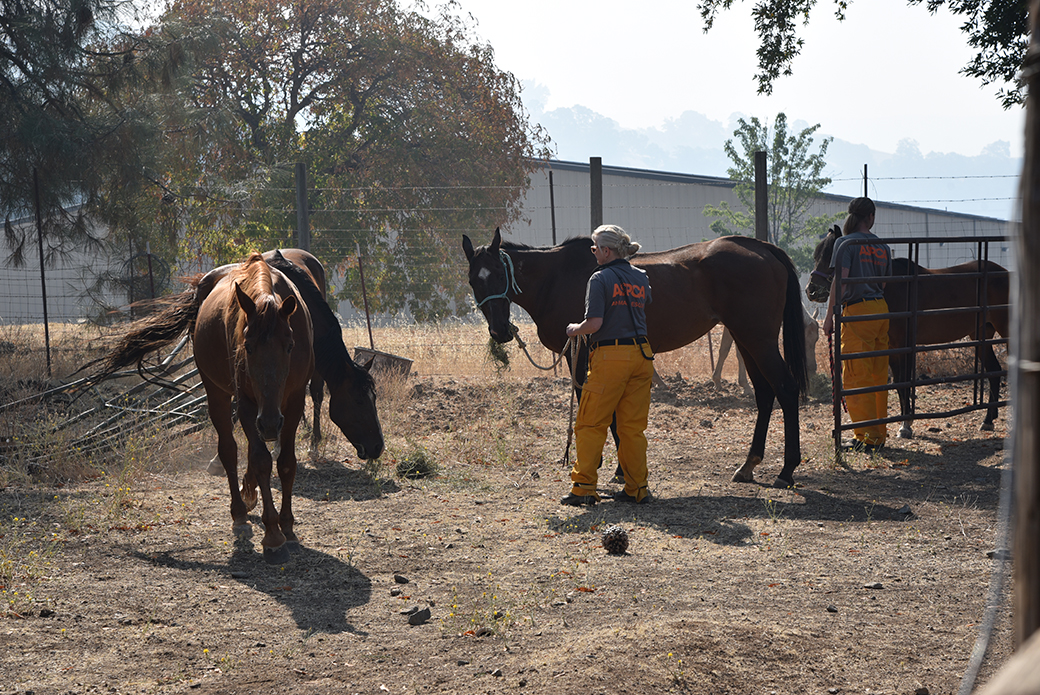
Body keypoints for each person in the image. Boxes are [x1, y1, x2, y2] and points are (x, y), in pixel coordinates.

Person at [562, 224, 654, 506]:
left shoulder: (599, 279)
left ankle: (584, 488)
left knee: (590, 423)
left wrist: (574, 329)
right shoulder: (641, 277)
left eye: (594, 248)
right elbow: (644, 304)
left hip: (611, 357)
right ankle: (637, 488)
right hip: (642, 357)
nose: (593, 253)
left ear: (605, 250)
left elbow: (595, 323)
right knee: (632, 428)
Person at [823, 197, 893, 453]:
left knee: (855, 376)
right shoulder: (883, 246)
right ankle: (880, 432)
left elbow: (840, 282)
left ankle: (867, 436)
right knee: (877, 374)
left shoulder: (845, 243)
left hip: (857, 312)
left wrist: (830, 316)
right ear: (871, 217)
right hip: (880, 309)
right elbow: (885, 284)